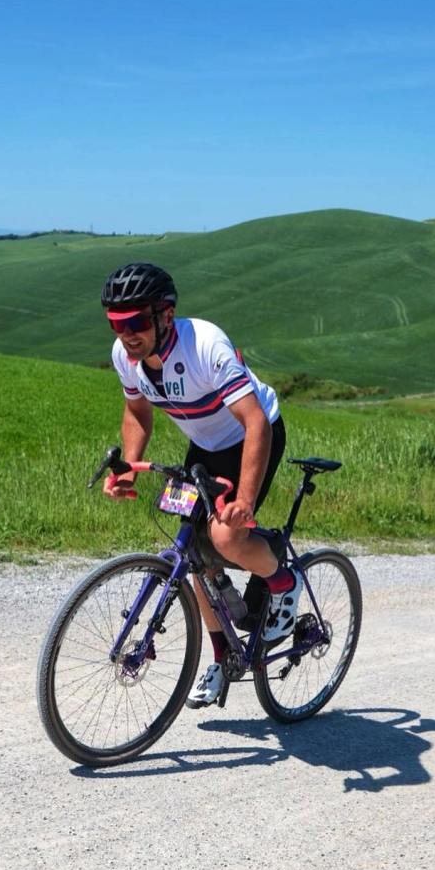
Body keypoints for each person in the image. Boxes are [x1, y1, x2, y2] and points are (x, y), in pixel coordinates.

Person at [101, 261, 300, 708]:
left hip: (252, 435)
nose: (126, 334)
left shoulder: (205, 345)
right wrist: (128, 466)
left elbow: (255, 423)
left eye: (135, 322)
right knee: (193, 552)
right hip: (205, 446)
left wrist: (244, 499)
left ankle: (282, 580)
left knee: (226, 536)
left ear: (165, 315)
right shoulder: (126, 357)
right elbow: (137, 412)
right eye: (115, 324)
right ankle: (224, 656)